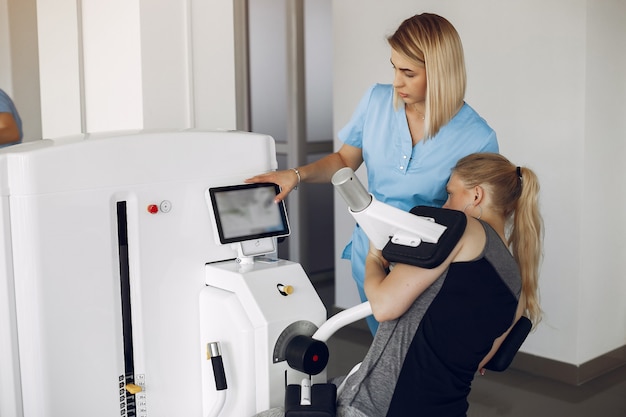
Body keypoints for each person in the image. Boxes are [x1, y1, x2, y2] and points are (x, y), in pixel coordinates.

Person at [247, 13, 498, 334]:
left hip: (425, 263)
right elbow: (343, 159)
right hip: (370, 252)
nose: (396, 82)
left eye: (408, 72)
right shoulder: (377, 101)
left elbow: (483, 226)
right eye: (394, 68)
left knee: (415, 354)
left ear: (440, 73)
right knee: (382, 346)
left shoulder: (477, 137)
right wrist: (295, 175)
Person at [256, 152, 543, 417]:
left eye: (451, 194)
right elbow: (479, 361)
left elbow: (383, 306)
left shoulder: (461, 227)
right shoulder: (517, 282)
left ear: (476, 195)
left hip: (378, 406)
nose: (445, 205)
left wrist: (372, 257)